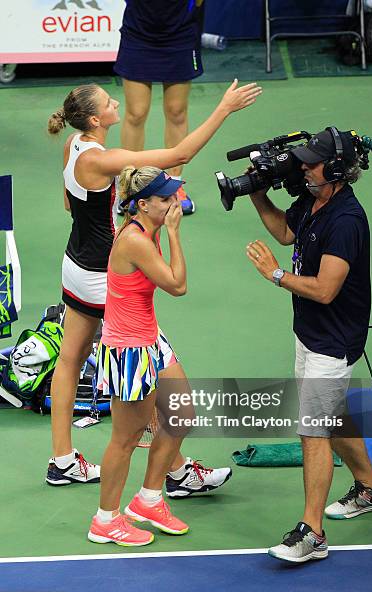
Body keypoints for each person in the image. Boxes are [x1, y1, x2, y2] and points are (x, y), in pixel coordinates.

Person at [46, 79, 262, 492]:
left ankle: (62, 460)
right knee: (154, 367)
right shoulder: (102, 159)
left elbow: (69, 204)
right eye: (109, 103)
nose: (116, 104)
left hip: (75, 264)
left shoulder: (73, 145)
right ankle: (178, 471)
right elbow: (179, 155)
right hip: (104, 279)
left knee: (71, 357)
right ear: (96, 119)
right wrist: (224, 108)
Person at [246, 127, 372, 564]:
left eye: (312, 162)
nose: (304, 167)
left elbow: (327, 289)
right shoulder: (313, 198)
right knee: (331, 413)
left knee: (313, 430)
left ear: (336, 169)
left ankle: (313, 533)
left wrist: (275, 275)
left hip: (334, 338)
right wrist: (255, 192)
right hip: (309, 332)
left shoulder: (347, 219)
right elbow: (286, 234)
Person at [89, 165, 195, 545]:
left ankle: (148, 499)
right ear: (142, 204)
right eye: (165, 199)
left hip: (151, 339)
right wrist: (175, 232)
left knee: (181, 412)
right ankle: (105, 520)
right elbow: (177, 285)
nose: (173, 203)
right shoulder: (137, 240)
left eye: (173, 197)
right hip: (129, 350)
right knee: (126, 437)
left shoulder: (145, 229)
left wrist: (165, 228)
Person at [115, 0, 206, 215]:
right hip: (138, 33)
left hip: (180, 34)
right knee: (136, 113)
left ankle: (174, 186)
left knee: (176, 111)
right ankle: (130, 186)